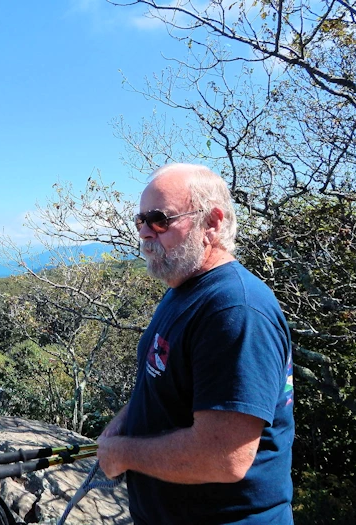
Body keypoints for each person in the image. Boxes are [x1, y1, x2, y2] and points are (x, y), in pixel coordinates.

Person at [97, 163, 294, 524]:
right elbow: (163, 384)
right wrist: (123, 422)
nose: (144, 233)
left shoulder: (236, 309)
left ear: (212, 223)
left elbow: (225, 455)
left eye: (159, 219)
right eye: (140, 220)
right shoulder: (184, 290)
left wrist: (124, 453)